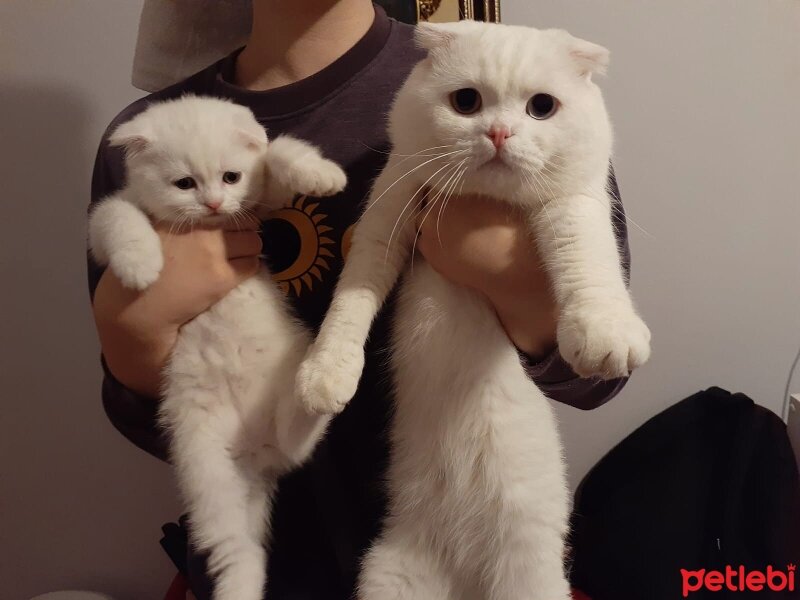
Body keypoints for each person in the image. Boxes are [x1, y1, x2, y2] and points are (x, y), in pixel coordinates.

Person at [88, 1, 632, 597]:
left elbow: (597, 373)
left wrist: (512, 284)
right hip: (265, 564)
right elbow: (162, 430)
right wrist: (134, 338)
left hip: (478, 552)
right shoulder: (155, 130)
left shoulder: (489, 68)